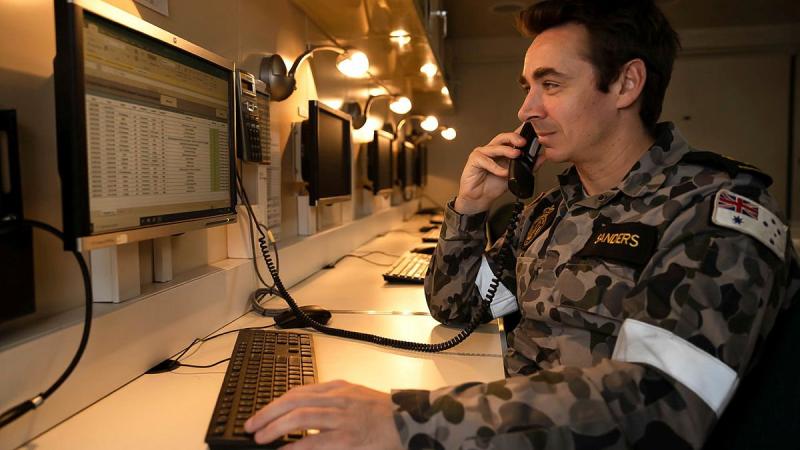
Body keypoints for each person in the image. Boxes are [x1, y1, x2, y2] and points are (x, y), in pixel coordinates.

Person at [244, 0, 800, 448]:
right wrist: (468, 209)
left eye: (551, 84)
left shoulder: (718, 211)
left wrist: (404, 422)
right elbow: (459, 306)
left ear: (627, 85)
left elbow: (659, 404)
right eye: (526, 86)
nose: (526, 109)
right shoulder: (552, 210)